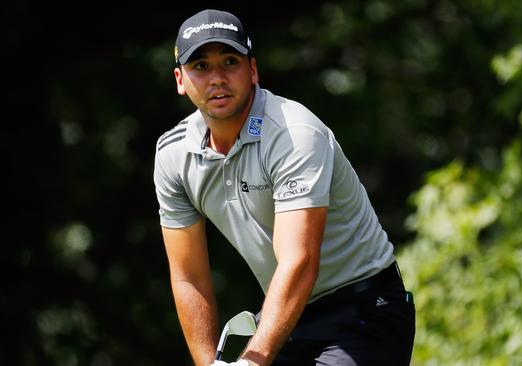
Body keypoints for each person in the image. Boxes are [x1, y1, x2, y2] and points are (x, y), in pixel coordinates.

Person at [153, 8, 415, 366]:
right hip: (289, 316)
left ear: (253, 70)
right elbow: (188, 278)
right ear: (180, 79)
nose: (216, 78)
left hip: (363, 310)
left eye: (230, 61)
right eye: (200, 66)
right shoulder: (173, 154)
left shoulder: (294, 133)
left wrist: (249, 362)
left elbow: (299, 261)